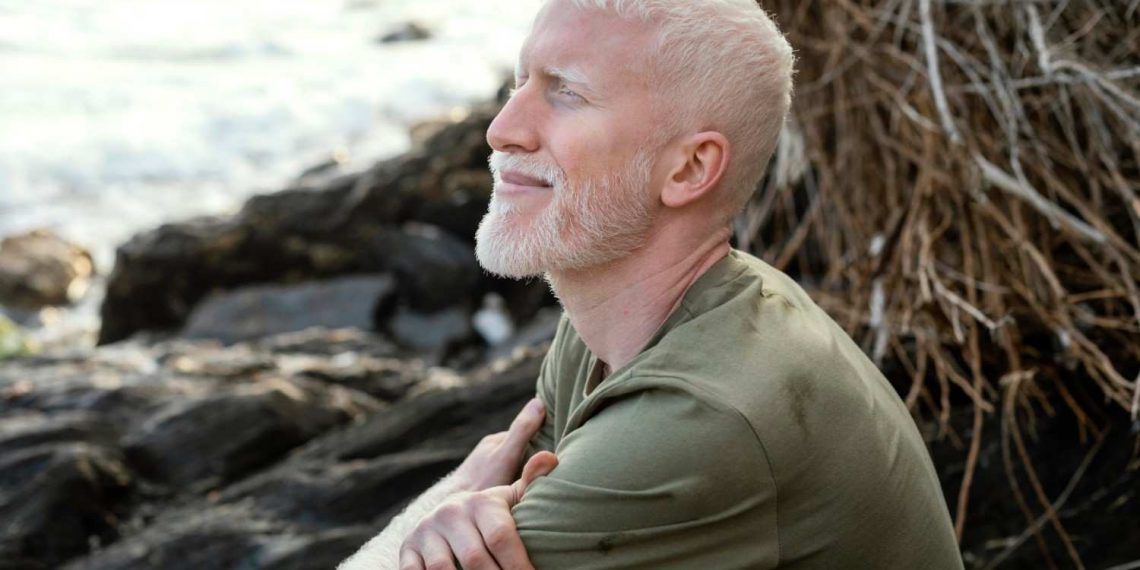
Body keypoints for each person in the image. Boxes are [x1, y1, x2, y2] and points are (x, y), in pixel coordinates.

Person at [340, 0, 964, 568]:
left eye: (567, 94)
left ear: (690, 168)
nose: (502, 128)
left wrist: (450, 496)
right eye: (518, 82)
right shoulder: (619, 323)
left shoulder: (700, 415)